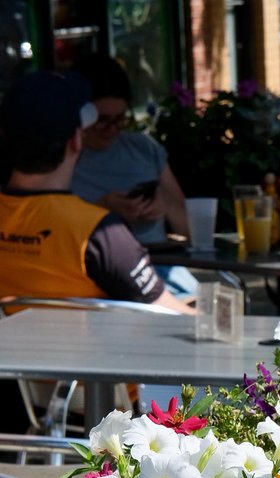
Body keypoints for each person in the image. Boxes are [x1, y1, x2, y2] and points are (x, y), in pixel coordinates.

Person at [0, 69, 190, 312]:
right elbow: (172, 314)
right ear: (76, 141)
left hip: (12, 335)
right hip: (89, 337)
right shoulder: (97, 231)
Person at [70, 53, 197, 297]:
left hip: (162, 271)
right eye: (102, 120)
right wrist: (102, 212)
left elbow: (193, 231)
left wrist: (164, 205)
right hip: (101, 283)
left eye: (120, 119)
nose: (111, 130)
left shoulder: (143, 148)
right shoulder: (65, 159)